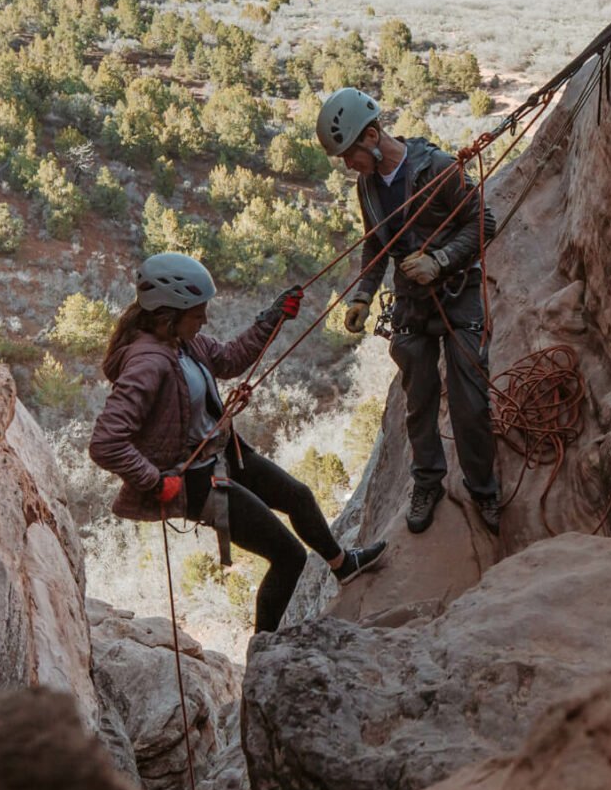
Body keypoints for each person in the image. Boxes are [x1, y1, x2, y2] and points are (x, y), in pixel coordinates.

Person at [89, 252, 385, 634]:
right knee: (288, 556)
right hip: (194, 480)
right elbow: (106, 442)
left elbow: (229, 359)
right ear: (169, 315)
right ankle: (264, 653)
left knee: (298, 496)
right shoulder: (149, 363)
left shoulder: (184, 344)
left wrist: (271, 318)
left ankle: (345, 566)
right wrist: (154, 481)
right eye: (197, 313)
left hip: (221, 455)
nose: (205, 319)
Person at [314, 87, 501, 535]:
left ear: (373, 135)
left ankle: (483, 488)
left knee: (469, 401)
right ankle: (428, 482)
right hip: (412, 300)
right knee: (417, 400)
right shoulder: (368, 186)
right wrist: (362, 294)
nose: (347, 165)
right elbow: (376, 244)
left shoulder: (437, 169)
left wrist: (440, 260)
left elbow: (482, 223)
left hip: (459, 294)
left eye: (349, 154)